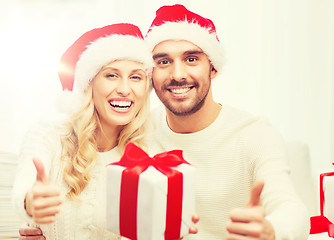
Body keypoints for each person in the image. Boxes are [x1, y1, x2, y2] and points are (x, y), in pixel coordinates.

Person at [19, 4, 310, 240]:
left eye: (192, 59)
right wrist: (38, 221)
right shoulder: (135, 131)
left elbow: (290, 208)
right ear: (149, 75)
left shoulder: (252, 133)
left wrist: (273, 231)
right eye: (162, 61)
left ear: (213, 68)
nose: (177, 74)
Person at [12, 23, 155, 239]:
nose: (125, 89)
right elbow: (25, 185)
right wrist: (30, 201)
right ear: (89, 84)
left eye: (136, 77)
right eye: (111, 75)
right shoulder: (48, 135)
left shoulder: (149, 150)